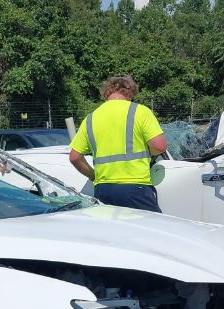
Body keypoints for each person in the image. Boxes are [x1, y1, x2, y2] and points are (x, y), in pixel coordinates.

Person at [69, 75, 168, 212]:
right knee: (156, 229)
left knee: (113, 232)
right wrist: (149, 152)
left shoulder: (91, 118)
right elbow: (159, 146)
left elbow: (74, 157)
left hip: (103, 189)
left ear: (106, 93)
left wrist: (93, 176)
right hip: (135, 188)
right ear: (131, 92)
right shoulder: (140, 112)